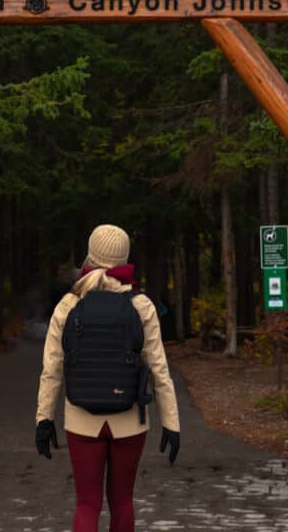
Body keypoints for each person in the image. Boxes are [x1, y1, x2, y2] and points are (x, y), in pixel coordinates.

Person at [35, 224, 180, 532]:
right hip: (129, 421)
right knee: (123, 502)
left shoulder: (69, 305)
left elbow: (51, 370)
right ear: (125, 258)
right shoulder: (141, 307)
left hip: (80, 419)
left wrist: (43, 419)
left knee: (87, 505)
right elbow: (159, 371)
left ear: (91, 255)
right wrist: (172, 422)